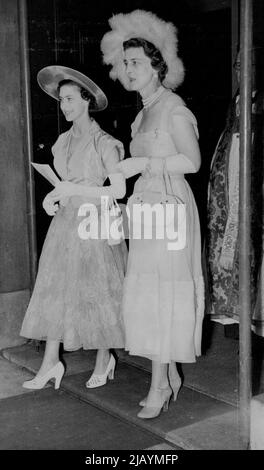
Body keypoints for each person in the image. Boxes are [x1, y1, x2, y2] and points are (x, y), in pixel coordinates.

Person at [101, 10, 204, 419]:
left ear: (157, 65)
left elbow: (192, 162)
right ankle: (169, 373)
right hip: (146, 208)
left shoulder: (174, 107)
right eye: (124, 63)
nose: (128, 70)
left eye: (136, 63)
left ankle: (160, 384)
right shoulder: (141, 114)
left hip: (172, 207)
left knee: (164, 291)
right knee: (148, 292)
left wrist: (146, 166)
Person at [20, 66, 127, 390]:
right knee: (56, 291)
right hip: (65, 224)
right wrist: (51, 199)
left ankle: (104, 358)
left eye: (69, 99)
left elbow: (119, 190)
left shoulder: (105, 143)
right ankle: (51, 362)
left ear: (86, 101)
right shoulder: (62, 141)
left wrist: (74, 192)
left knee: (98, 292)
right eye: (61, 100)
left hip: (93, 223)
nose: (64, 105)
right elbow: (63, 184)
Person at [204, 49, 264, 337]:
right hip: (227, 192)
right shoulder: (235, 102)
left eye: (247, 64)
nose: (240, 70)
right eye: (237, 64)